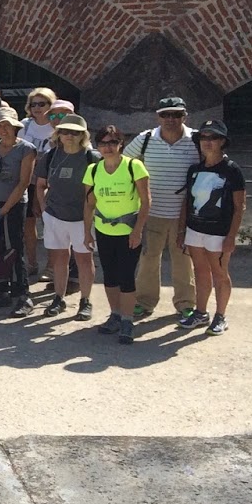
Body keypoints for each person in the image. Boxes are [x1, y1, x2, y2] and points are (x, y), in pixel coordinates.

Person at [125, 95, 201, 320]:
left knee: (183, 260)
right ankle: (144, 301)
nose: (170, 119)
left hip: (184, 214)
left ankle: (186, 303)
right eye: (165, 114)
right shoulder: (145, 139)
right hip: (151, 212)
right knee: (148, 258)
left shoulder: (197, 139)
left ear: (184, 116)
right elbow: (122, 163)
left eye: (176, 114)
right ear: (158, 117)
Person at [176, 120, 246, 336]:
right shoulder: (195, 169)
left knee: (220, 273)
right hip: (195, 229)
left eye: (213, 137)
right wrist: (181, 230)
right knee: (200, 271)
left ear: (222, 141)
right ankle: (200, 312)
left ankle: (220, 315)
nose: (207, 142)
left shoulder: (232, 170)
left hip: (219, 232)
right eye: (204, 137)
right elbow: (187, 202)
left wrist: (231, 236)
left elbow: (239, 207)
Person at [83, 125, 150, 343]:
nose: (108, 147)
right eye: (103, 143)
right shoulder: (93, 170)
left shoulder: (134, 166)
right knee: (110, 276)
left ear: (121, 144)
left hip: (128, 231)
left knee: (126, 276)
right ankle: (115, 315)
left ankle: (128, 321)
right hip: (104, 230)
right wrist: (87, 232)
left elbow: (146, 201)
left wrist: (138, 231)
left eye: (113, 142)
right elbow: (89, 204)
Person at [34, 113, 98, 322]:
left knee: (84, 259)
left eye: (75, 132)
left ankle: (85, 300)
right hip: (55, 215)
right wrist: (44, 209)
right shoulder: (51, 156)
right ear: (58, 134)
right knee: (60, 258)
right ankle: (58, 298)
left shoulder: (92, 158)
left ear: (83, 136)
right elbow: (41, 185)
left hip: (83, 218)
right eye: (65, 131)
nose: (69, 136)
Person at [0, 106, 37, 316]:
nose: (3, 129)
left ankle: (23, 294)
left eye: (7, 125)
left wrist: (5, 208)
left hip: (14, 205)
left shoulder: (26, 149)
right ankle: (2, 290)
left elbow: (23, 183)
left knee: (15, 247)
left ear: (15, 127)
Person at [19, 88, 56, 277]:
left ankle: (51, 266)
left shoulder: (56, 126)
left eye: (42, 104)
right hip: (28, 180)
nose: (37, 108)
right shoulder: (24, 125)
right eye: (34, 104)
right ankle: (31, 263)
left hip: (50, 182)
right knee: (28, 224)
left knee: (50, 224)